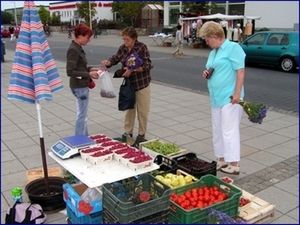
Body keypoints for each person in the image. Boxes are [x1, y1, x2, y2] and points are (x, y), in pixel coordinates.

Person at [200, 21, 246, 175]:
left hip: (230, 97)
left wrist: (237, 94)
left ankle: (234, 163)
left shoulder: (233, 48)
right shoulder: (214, 52)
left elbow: (240, 71)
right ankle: (221, 159)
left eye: (207, 38)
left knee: (229, 130)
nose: (206, 41)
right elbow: (211, 69)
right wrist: (206, 73)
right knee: (217, 130)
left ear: (215, 35)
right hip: (216, 98)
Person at [101, 27, 152, 147]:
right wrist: (108, 62)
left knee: (142, 111)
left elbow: (148, 65)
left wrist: (133, 69)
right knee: (129, 109)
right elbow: (116, 57)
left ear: (134, 38)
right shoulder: (123, 48)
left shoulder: (141, 47)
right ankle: (127, 133)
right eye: (124, 39)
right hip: (129, 85)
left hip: (142, 84)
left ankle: (141, 135)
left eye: (127, 39)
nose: (125, 41)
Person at [66, 23, 99, 136]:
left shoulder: (77, 48)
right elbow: (70, 71)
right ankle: (80, 140)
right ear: (79, 36)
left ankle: (84, 138)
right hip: (79, 86)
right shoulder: (74, 50)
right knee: (82, 115)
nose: (89, 40)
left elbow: (80, 67)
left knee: (82, 114)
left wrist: (91, 69)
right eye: (87, 37)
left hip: (80, 85)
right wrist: (89, 73)